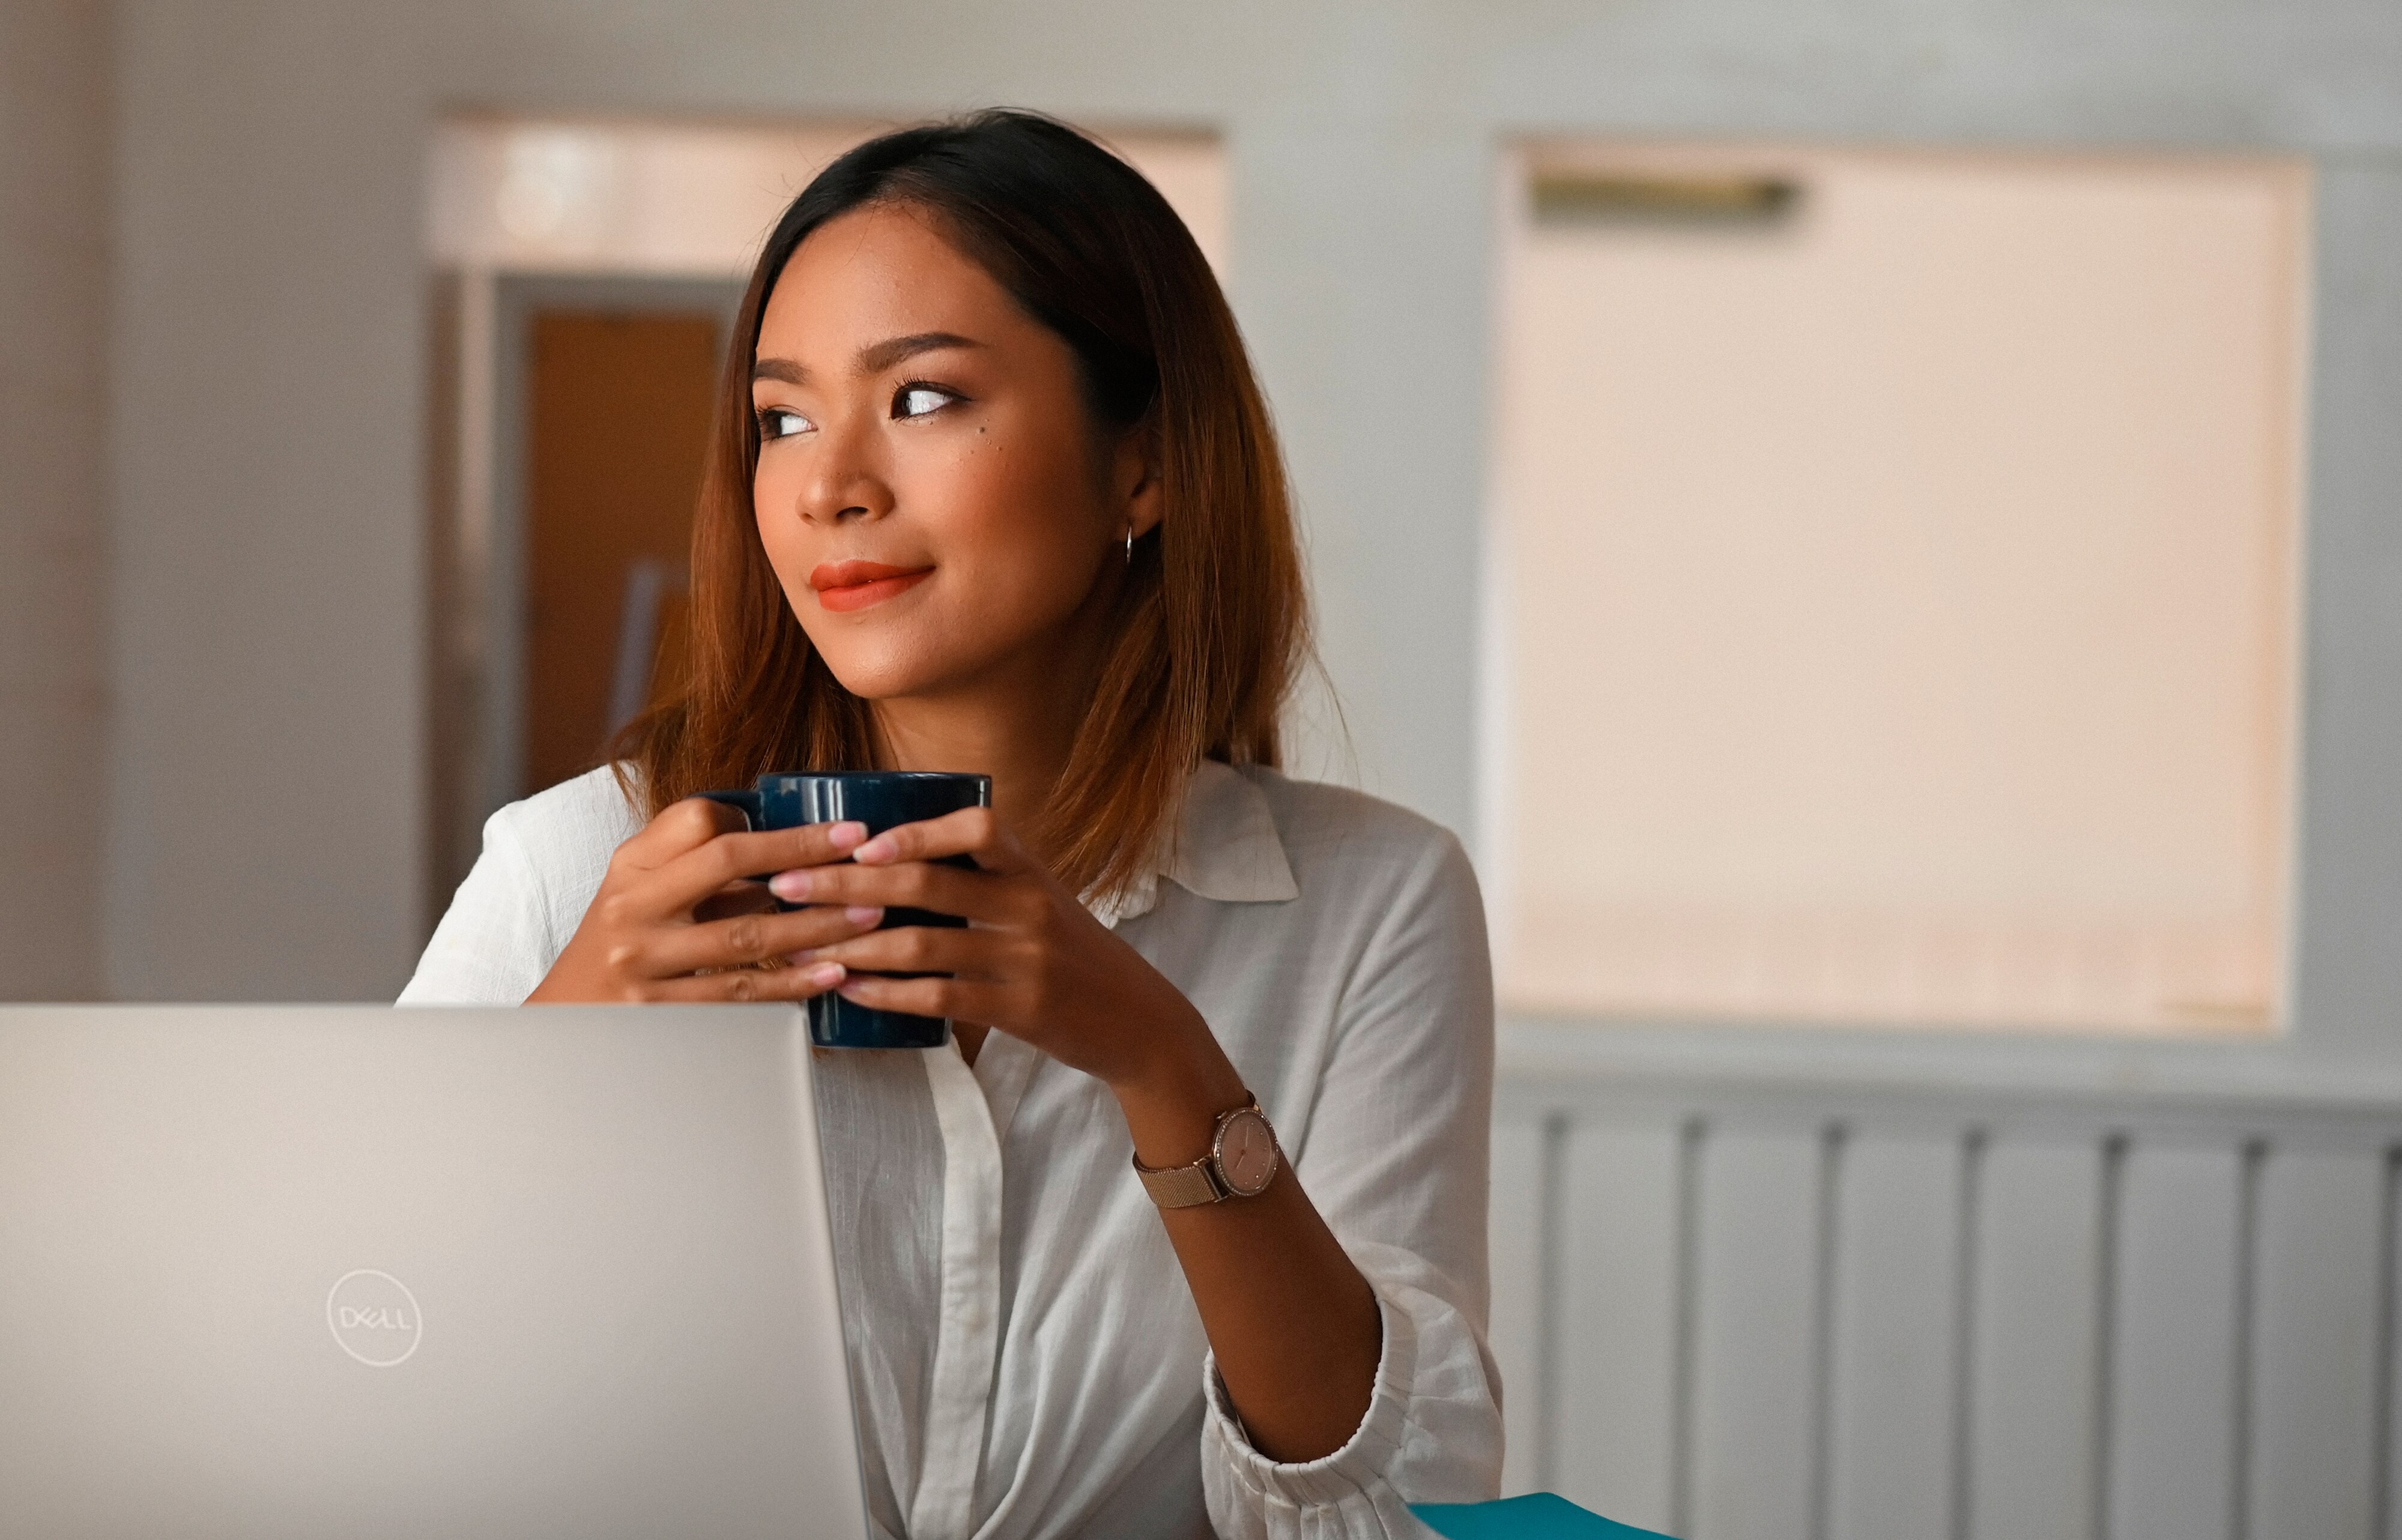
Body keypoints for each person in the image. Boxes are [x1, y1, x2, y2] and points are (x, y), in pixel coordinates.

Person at [402, 109, 1500, 1539]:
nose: (826, 486)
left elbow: (1398, 1518)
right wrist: (572, 1034)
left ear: (1143, 465)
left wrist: (1160, 1058)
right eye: (781, 418)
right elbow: (351, 1386)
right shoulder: (577, 871)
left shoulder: (1369, 903)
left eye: (920, 398)